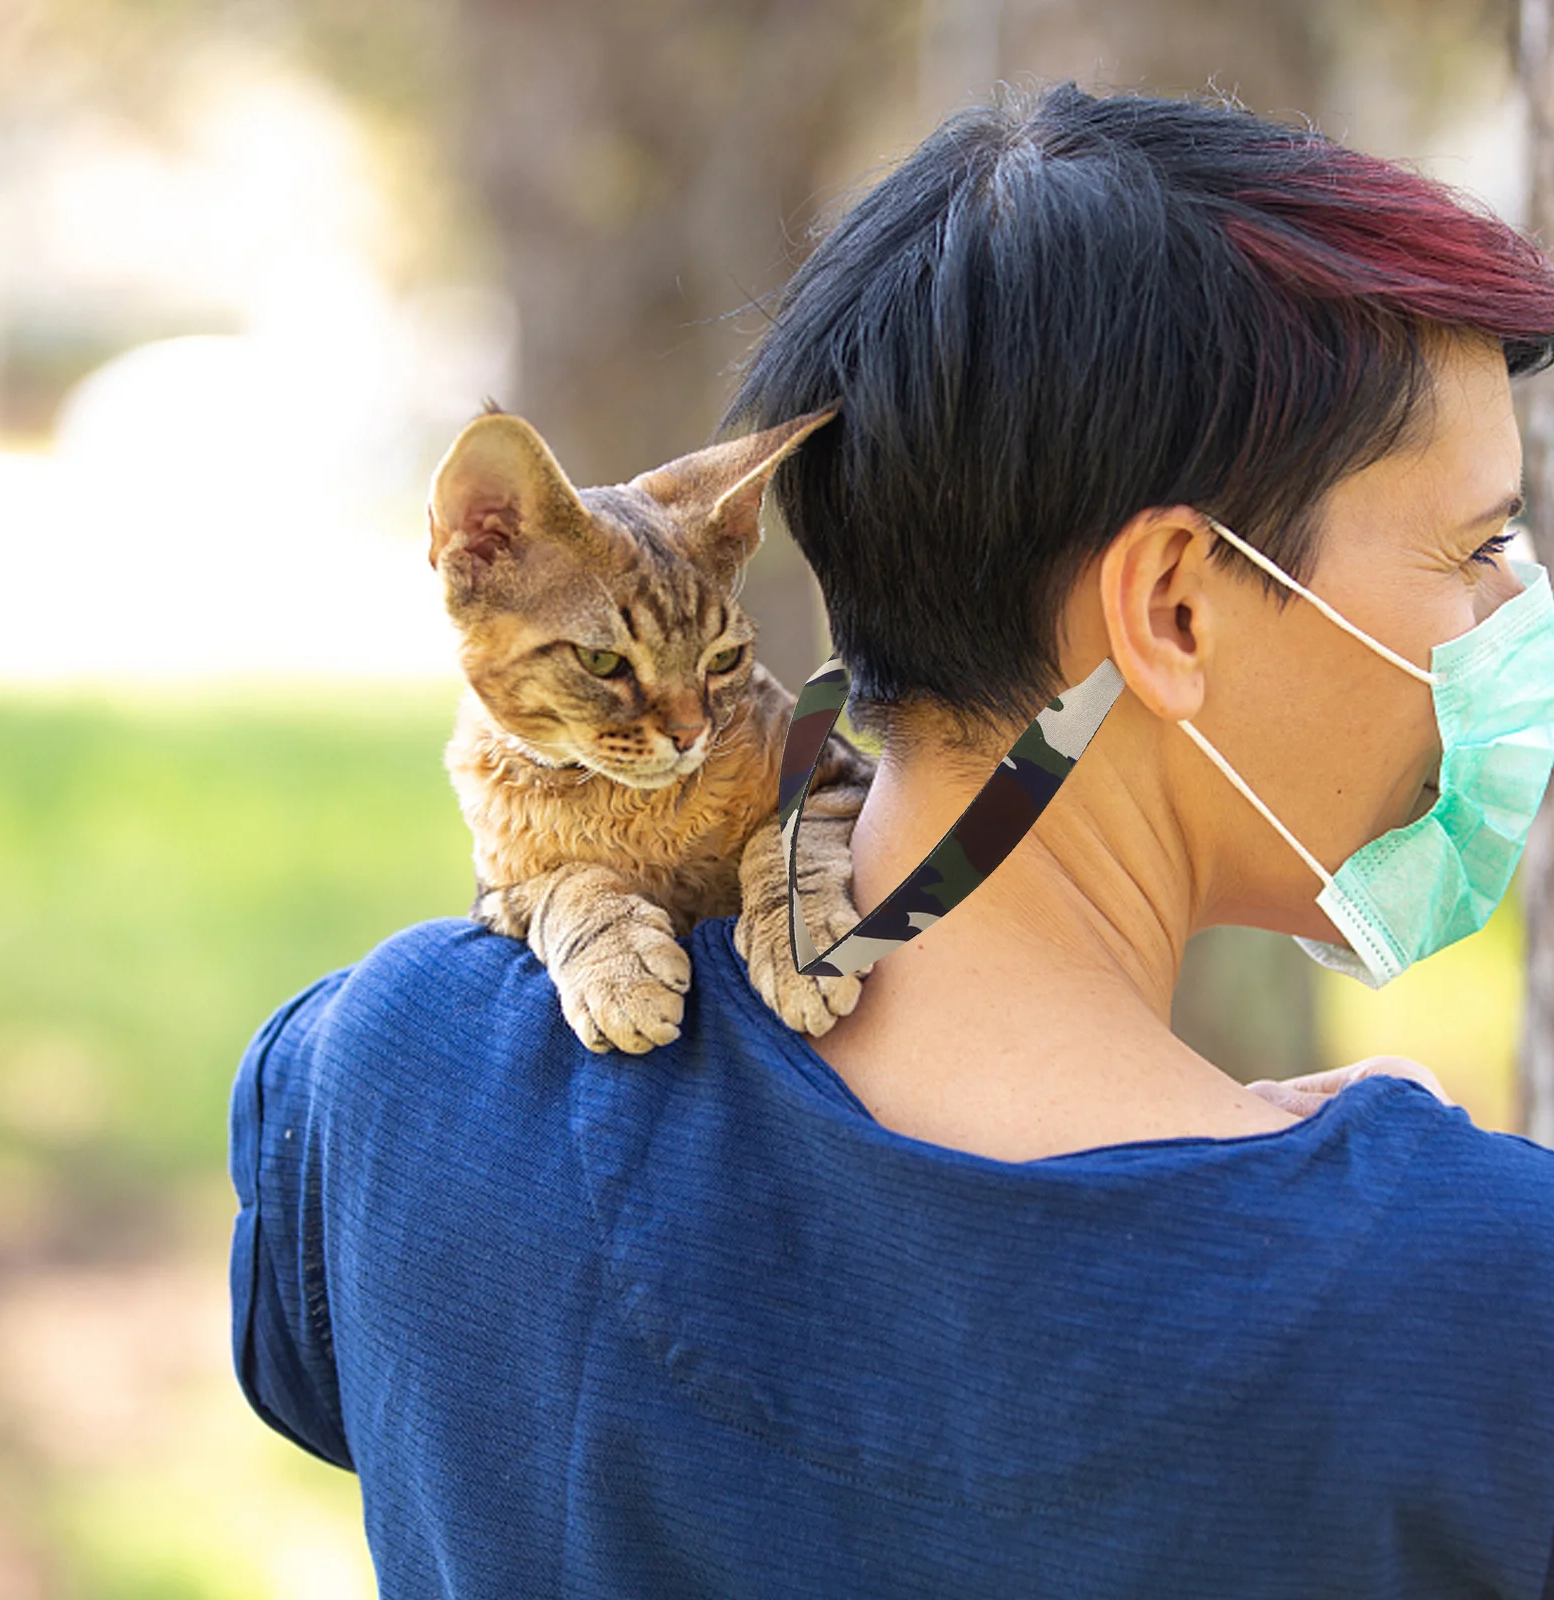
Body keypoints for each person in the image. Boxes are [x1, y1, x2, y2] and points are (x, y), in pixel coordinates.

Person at [230, 83, 1554, 1596]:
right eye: (1481, 546)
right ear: (1174, 607)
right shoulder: (1489, 1307)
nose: (1514, 618)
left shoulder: (388, 1078)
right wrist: (1362, 1218)